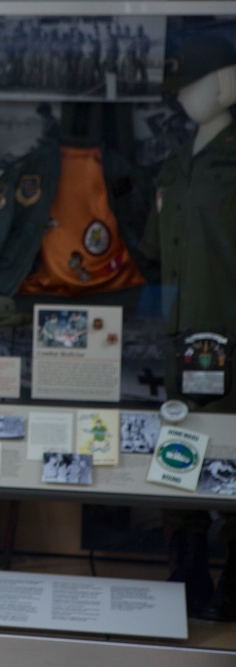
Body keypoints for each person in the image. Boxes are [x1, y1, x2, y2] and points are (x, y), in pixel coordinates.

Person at [140, 34, 236, 622]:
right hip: (184, 339)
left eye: (193, 82)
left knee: (232, 449)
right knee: (182, 445)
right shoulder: (177, 163)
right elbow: (157, 246)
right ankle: (189, 564)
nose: (183, 97)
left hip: (231, 333)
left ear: (227, 82)